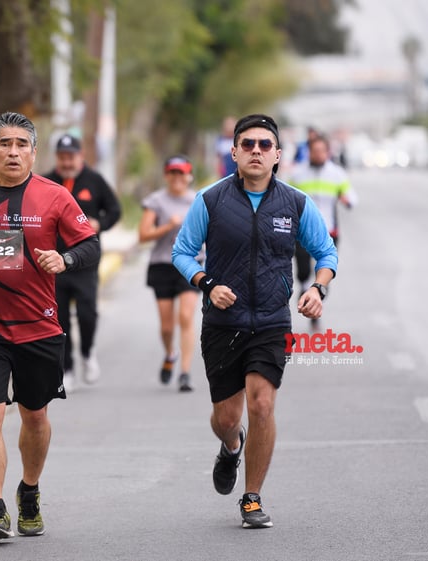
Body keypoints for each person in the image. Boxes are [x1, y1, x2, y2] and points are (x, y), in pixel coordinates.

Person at [0, 112, 99, 542]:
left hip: (39, 326)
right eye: (4, 144)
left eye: (21, 144)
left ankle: (29, 489)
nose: (13, 151)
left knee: (35, 415)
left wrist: (65, 260)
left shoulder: (55, 197)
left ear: (33, 152)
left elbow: (90, 244)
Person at [172, 114, 337, 529]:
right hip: (223, 324)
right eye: (248, 144)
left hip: (270, 322)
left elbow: (327, 255)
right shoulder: (209, 201)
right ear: (234, 152)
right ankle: (231, 447)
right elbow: (182, 252)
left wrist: (317, 289)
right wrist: (207, 284)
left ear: (278, 154)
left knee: (262, 404)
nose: (257, 151)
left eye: (265, 145)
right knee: (227, 418)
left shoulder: (296, 203)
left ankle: (252, 497)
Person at [44, 133, 122, 391]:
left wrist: (100, 223)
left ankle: (88, 352)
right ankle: (66, 367)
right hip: (55, 263)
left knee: (88, 314)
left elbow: (115, 210)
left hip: (85, 262)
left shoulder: (94, 180)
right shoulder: (46, 182)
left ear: (81, 156)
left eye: (71, 157)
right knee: (60, 317)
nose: (67, 162)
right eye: (62, 157)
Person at [138, 155, 200, 393]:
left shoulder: (198, 200)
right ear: (166, 175)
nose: (177, 178)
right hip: (163, 264)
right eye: (173, 173)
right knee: (166, 327)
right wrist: (168, 226)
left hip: (192, 264)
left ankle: (184, 373)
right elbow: (143, 235)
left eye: (181, 173)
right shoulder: (156, 201)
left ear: (189, 176)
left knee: (185, 317)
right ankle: (170, 354)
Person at [287, 133, 355, 301]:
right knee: (303, 267)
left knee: (325, 265)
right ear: (308, 152)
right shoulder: (297, 173)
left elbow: (352, 197)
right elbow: (284, 197)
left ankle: (318, 289)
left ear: (328, 152)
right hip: (303, 229)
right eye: (314, 151)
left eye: (321, 151)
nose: (318, 154)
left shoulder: (337, 174)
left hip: (328, 228)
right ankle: (304, 286)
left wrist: (346, 199)